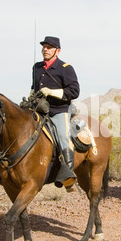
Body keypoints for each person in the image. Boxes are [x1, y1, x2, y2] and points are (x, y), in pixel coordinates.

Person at [31, 36, 80, 185]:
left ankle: (68, 176)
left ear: (57, 51)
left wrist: (52, 92)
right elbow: (34, 87)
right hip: (39, 109)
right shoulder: (37, 67)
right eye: (44, 47)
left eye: (49, 47)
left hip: (59, 109)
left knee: (63, 137)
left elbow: (74, 91)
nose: (45, 49)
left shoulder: (65, 68)